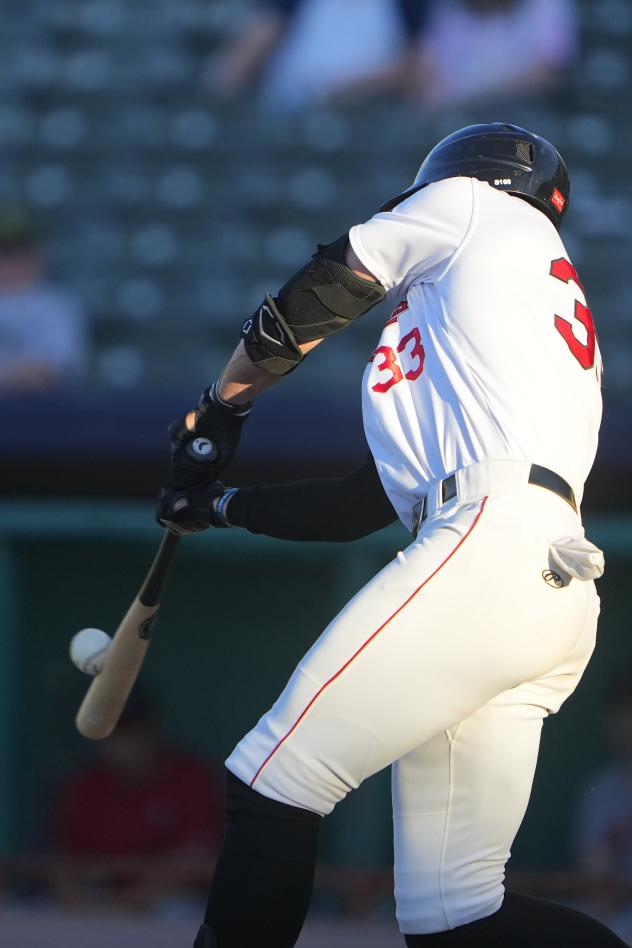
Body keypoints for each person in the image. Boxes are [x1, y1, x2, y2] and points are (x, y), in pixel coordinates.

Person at [157, 123, 622, 946]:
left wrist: (224, 404)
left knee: (273, 780)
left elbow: (330, 282)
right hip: (540, 578)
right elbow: (359, 504)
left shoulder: (477, 205)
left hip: (487, 541)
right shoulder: (499, 319)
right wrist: (219, 506)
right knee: (459, 916)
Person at [54, 689, 223, 905]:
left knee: (181, 909)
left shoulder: (190, 779)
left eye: (128, 730)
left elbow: (195, 867)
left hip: (169, 906)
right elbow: (62, 867)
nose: (120, 743)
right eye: (109, 732)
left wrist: (124, 903)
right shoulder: (85, 786)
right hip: (97, 904)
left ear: (150, 728)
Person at [206, 0, 430, 111]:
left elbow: (419, 71)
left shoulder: (407, 6)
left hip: (371, 119)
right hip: (291, 117)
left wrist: (348, 87)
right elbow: (240, 61)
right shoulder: (289, 4)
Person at [0, 205, 87, 391]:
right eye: (5, 252)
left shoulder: (57, 307)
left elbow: (48, 373)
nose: (10, 262)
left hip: (39, 412)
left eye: (19, 252)